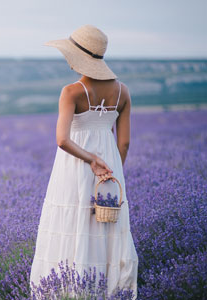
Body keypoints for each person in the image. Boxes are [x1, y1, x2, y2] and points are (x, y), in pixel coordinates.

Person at [29, 25, 139, 299]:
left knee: (71, 222)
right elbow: (123, 142)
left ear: (76, 57)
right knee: (107, 227)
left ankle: (67, 290)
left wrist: (91, 160)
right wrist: (110, 174)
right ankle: (110, 290)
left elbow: (62, 140)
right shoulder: (123, 92)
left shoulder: (71, 92)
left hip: (75, 167)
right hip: (110, 167)